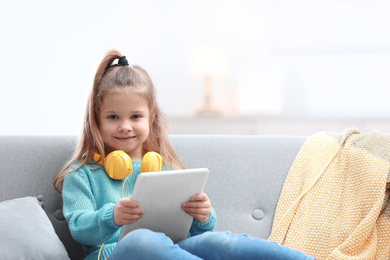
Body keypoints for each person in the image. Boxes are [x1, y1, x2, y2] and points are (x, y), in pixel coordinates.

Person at [53, 49, 315, 260]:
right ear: (96, 121)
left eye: (135, 116)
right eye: (113, 117)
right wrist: (111, 216)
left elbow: (188, 230)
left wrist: (202, 216)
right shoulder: (82, 173)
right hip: (114, 256)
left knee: (219, 241)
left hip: (172, 249)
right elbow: (79, 227)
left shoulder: (163, 168)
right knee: (142, 240)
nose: (125, 125)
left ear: (151, 118)